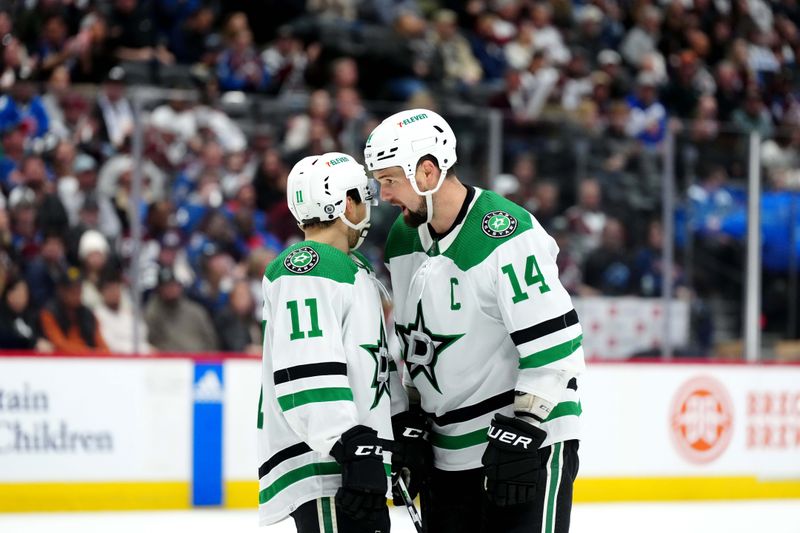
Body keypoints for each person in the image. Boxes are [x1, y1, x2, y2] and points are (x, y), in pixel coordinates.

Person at [365, 109, 585, 533]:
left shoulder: (506, 234)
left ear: (427, 173)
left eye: (390, 180)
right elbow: (416, 342)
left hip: (526, 443)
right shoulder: (403, 238)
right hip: (448, 453)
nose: (384, 194)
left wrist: (526, 427)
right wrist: (410, 418)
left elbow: (556, 349)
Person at [257, 152, 403, 533]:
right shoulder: (308, 266)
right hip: (331, 469)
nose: (367, 205)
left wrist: (395, 435)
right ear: (346, 202)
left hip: (351, 463)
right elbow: (305, 371)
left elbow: (373, 366)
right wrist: (350, 445)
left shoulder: (350, 268)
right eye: (361, 196)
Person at [144, 266, 219, 353]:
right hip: (169, 362)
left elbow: (211, 340)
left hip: (199, 361)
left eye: (173, 285)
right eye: (166, 286)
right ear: (159, 290)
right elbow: (150, 342)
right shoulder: (152, 313)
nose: (170, 289)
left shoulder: (196, 311)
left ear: (180, 287)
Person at [40, 266, 110, 355]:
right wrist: (89, 352)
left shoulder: (88, 314)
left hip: (87, 362)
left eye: (79, 288)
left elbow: (101, 344)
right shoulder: (49, 313)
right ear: (61, 290)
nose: (77, 293)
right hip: (60, 362)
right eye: (72, 289)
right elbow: (59, 345)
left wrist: (105, 354)